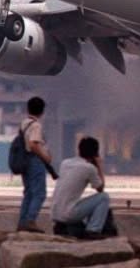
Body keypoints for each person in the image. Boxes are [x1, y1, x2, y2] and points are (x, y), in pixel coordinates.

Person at [51, 136, 112, 239]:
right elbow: (100, 188)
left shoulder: (65, 163)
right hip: (68, 213)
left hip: (55, 213)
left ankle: (64, 227)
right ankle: (93, 230)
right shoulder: (89, 168)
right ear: (95, 153)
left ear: (79, 150)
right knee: (104, 197)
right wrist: (99, 166)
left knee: (78, 204)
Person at [18, 96, 52, 232]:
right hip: (34, 160)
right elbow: (33, 144)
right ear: (42, 111)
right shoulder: (36, 125)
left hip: (24, 161)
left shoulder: (24, 123)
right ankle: (30, 220)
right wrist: (46, 158)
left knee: (28, 193)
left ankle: (22, 222)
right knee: (39, 193)